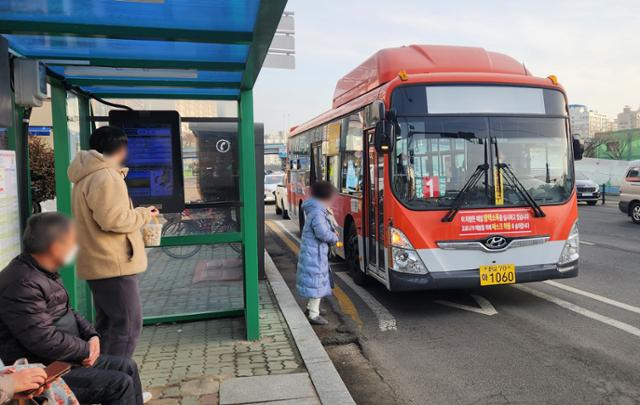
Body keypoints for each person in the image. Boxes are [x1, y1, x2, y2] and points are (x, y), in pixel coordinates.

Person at [0, 213, 144, 405]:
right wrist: (85, 351)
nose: (76, 248)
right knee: (118, 385)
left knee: (127, 367)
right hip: (44, 369)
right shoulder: (22, 282)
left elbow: (68, 311)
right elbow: (43, 340)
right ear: (56, 247)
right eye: (73, 243)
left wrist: (92, 336)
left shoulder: (42, 272)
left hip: (64, 357)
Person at [67, 125, 158, 358]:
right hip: (113, 263)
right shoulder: (107, 176)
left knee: (108, 327)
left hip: (98, 263)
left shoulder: (84, 177)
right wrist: (144, 213)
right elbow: (114, 220)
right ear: (120, 148)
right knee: (128, 327)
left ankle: (104, 382)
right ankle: (117, 387)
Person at [296, 181, 339, 325]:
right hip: (315, 253)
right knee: (317, 282)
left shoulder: (317, 208)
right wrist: (334, 238)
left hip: (314, 251)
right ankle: (313, 315)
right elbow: (321, 233)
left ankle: (311, 308)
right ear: (325, 196)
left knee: (317, 281)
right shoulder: (317, 211)